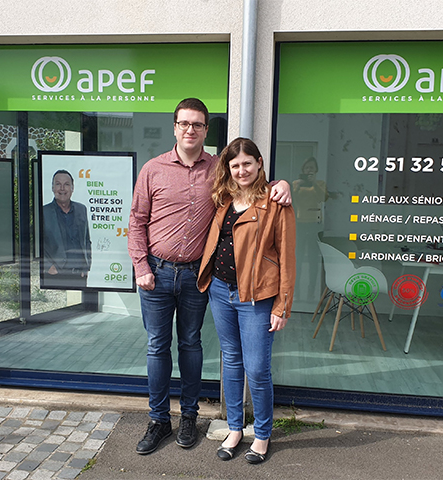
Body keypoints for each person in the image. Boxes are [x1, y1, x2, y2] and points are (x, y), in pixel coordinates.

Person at [127, 98, 291, 455]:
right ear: (175, 127)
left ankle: (188, 416)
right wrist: (141, 266)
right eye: (184, 123)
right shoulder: (153, 170)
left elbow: (253, 183)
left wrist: (283, 183)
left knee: (191, 345)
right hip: (156, 273)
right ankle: (158, 420)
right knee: (157, 347)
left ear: (205, 130)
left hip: (195, 279)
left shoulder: (219, 169)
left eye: (198, 125)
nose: (190, 130)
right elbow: (136, 221)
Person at [197, 137, 296, 464]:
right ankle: (236, 429)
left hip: (256, 297)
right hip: (221, 291)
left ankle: (263, 435)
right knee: (232, 362)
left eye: (247, 164)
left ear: (259, 164)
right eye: (234, 165)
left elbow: (287, 257)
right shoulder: (222, 198)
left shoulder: (275, 201)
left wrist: (282, 305)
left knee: (257, 368)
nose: (241, 171)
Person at [43, 169, 91, 289]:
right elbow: (35, 243)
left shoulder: (81, 209)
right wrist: (47, 266)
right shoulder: (43, 212)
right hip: (55, 274)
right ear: (53, 188)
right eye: (58, 184)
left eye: (66, 184)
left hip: (79, 275)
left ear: (72, 188)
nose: (62, 188)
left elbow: (86, 240)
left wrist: (86, 266)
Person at [292, 157, 328, 301]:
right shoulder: (296, 184)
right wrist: (297, 186)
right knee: (298, 259)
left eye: (312, 168)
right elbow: (292, 200)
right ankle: (296, 292)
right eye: (307, 168)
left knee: (314, 260)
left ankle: (311, 292)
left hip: (315, 224)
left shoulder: (320, 184)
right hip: (300, 223)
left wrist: (314, 183)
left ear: (316, 170)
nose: (309, 170)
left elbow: (323, 198)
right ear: (303, 170)